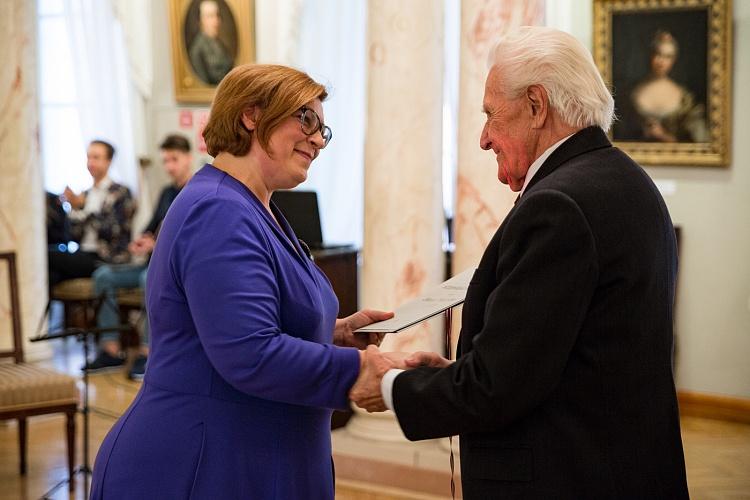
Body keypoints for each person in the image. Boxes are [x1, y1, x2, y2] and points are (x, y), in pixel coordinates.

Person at [350, 26, 689, 499]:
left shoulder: (560, 207)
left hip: (565, 476)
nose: (484, 138)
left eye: (491, 115)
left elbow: (497, 389)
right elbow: (554, 359)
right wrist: (452, 373)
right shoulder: (624, 179)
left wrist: (390, 385)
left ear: (536, 104)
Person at [90, 64, 391, 499]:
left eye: (323, 130)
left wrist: (334, 333)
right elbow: (249, 351)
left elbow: (245, 323)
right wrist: (357, 370)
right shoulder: (219, 209)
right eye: (305, 118)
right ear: (251, 115)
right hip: (198, 465)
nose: (316, 140)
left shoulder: (255, 206)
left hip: (252, 457)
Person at [85, 134, 194, 379]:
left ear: (188, 158)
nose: (169, 167)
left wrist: (157, 243)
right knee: (103, 276)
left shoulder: (197, 190)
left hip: (173, 268)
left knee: (148, 279)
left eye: (174, 160)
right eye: (165, 161)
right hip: (151, 262)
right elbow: (152, 225)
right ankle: (111, 349)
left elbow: (191, 237)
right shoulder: (167, 192)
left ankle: (148, 351)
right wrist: (143, 239)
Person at [47, 140, 135, 292]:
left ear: (108, 161)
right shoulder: (86, 193)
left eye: (96, 157)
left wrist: (83, 209)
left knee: (47, 256)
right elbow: (72, 237)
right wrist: (74, 209)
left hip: (106, 258)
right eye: (89, 157)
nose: (91, 162)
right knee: (51, 275)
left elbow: (112, 232)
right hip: (83, 254)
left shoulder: (120, 192)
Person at [622, 30, 708, 142]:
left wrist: (664, 136)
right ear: (650, 55)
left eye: (668, 57)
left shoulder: (685, 98)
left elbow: (700, 141)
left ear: (674, 60)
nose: (661, 62)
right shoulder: (632, 92)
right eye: (658, 54)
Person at [188, 0, 234, 85]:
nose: (216, 20)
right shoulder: (197, 50)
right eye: (210, 16)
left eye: (217, 15)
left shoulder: (220, 44)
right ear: (200, 21)